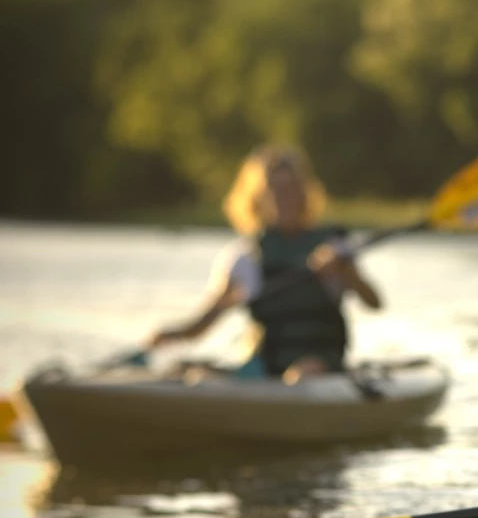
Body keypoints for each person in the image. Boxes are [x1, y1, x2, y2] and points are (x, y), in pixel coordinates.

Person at [150, 145, 382, 382]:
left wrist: (346, 272)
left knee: (300, 374)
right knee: (197, 374)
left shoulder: (333, 248)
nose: (285, 199)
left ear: (305, 194)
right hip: (265, 363)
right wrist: (171, 334)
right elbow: (205, 322)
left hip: (318, 363)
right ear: (258, 198)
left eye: (292, 189)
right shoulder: (245, 257)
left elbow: (374, 303)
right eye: (276, 191)